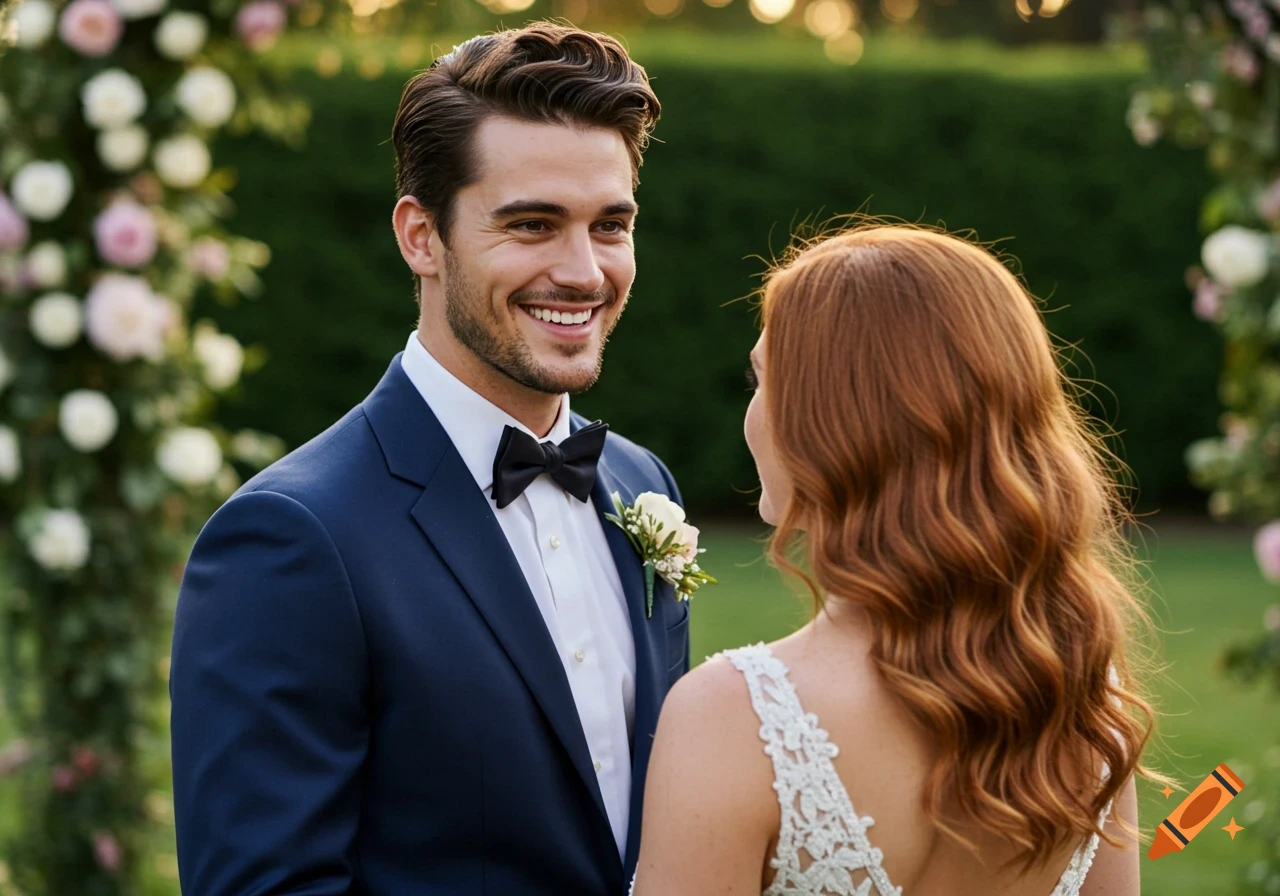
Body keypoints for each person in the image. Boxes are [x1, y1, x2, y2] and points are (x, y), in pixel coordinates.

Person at [170, 23, 688, 895]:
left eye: (610, 225)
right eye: (532, 225)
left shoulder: (640, 484)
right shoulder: (292, 539)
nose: (583, 271)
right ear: (421, 236)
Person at [631, 224, 1155, 896]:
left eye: (762, 380)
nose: (755, 413)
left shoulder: (736, 717)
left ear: (835, 419)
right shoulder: (1075, 688)